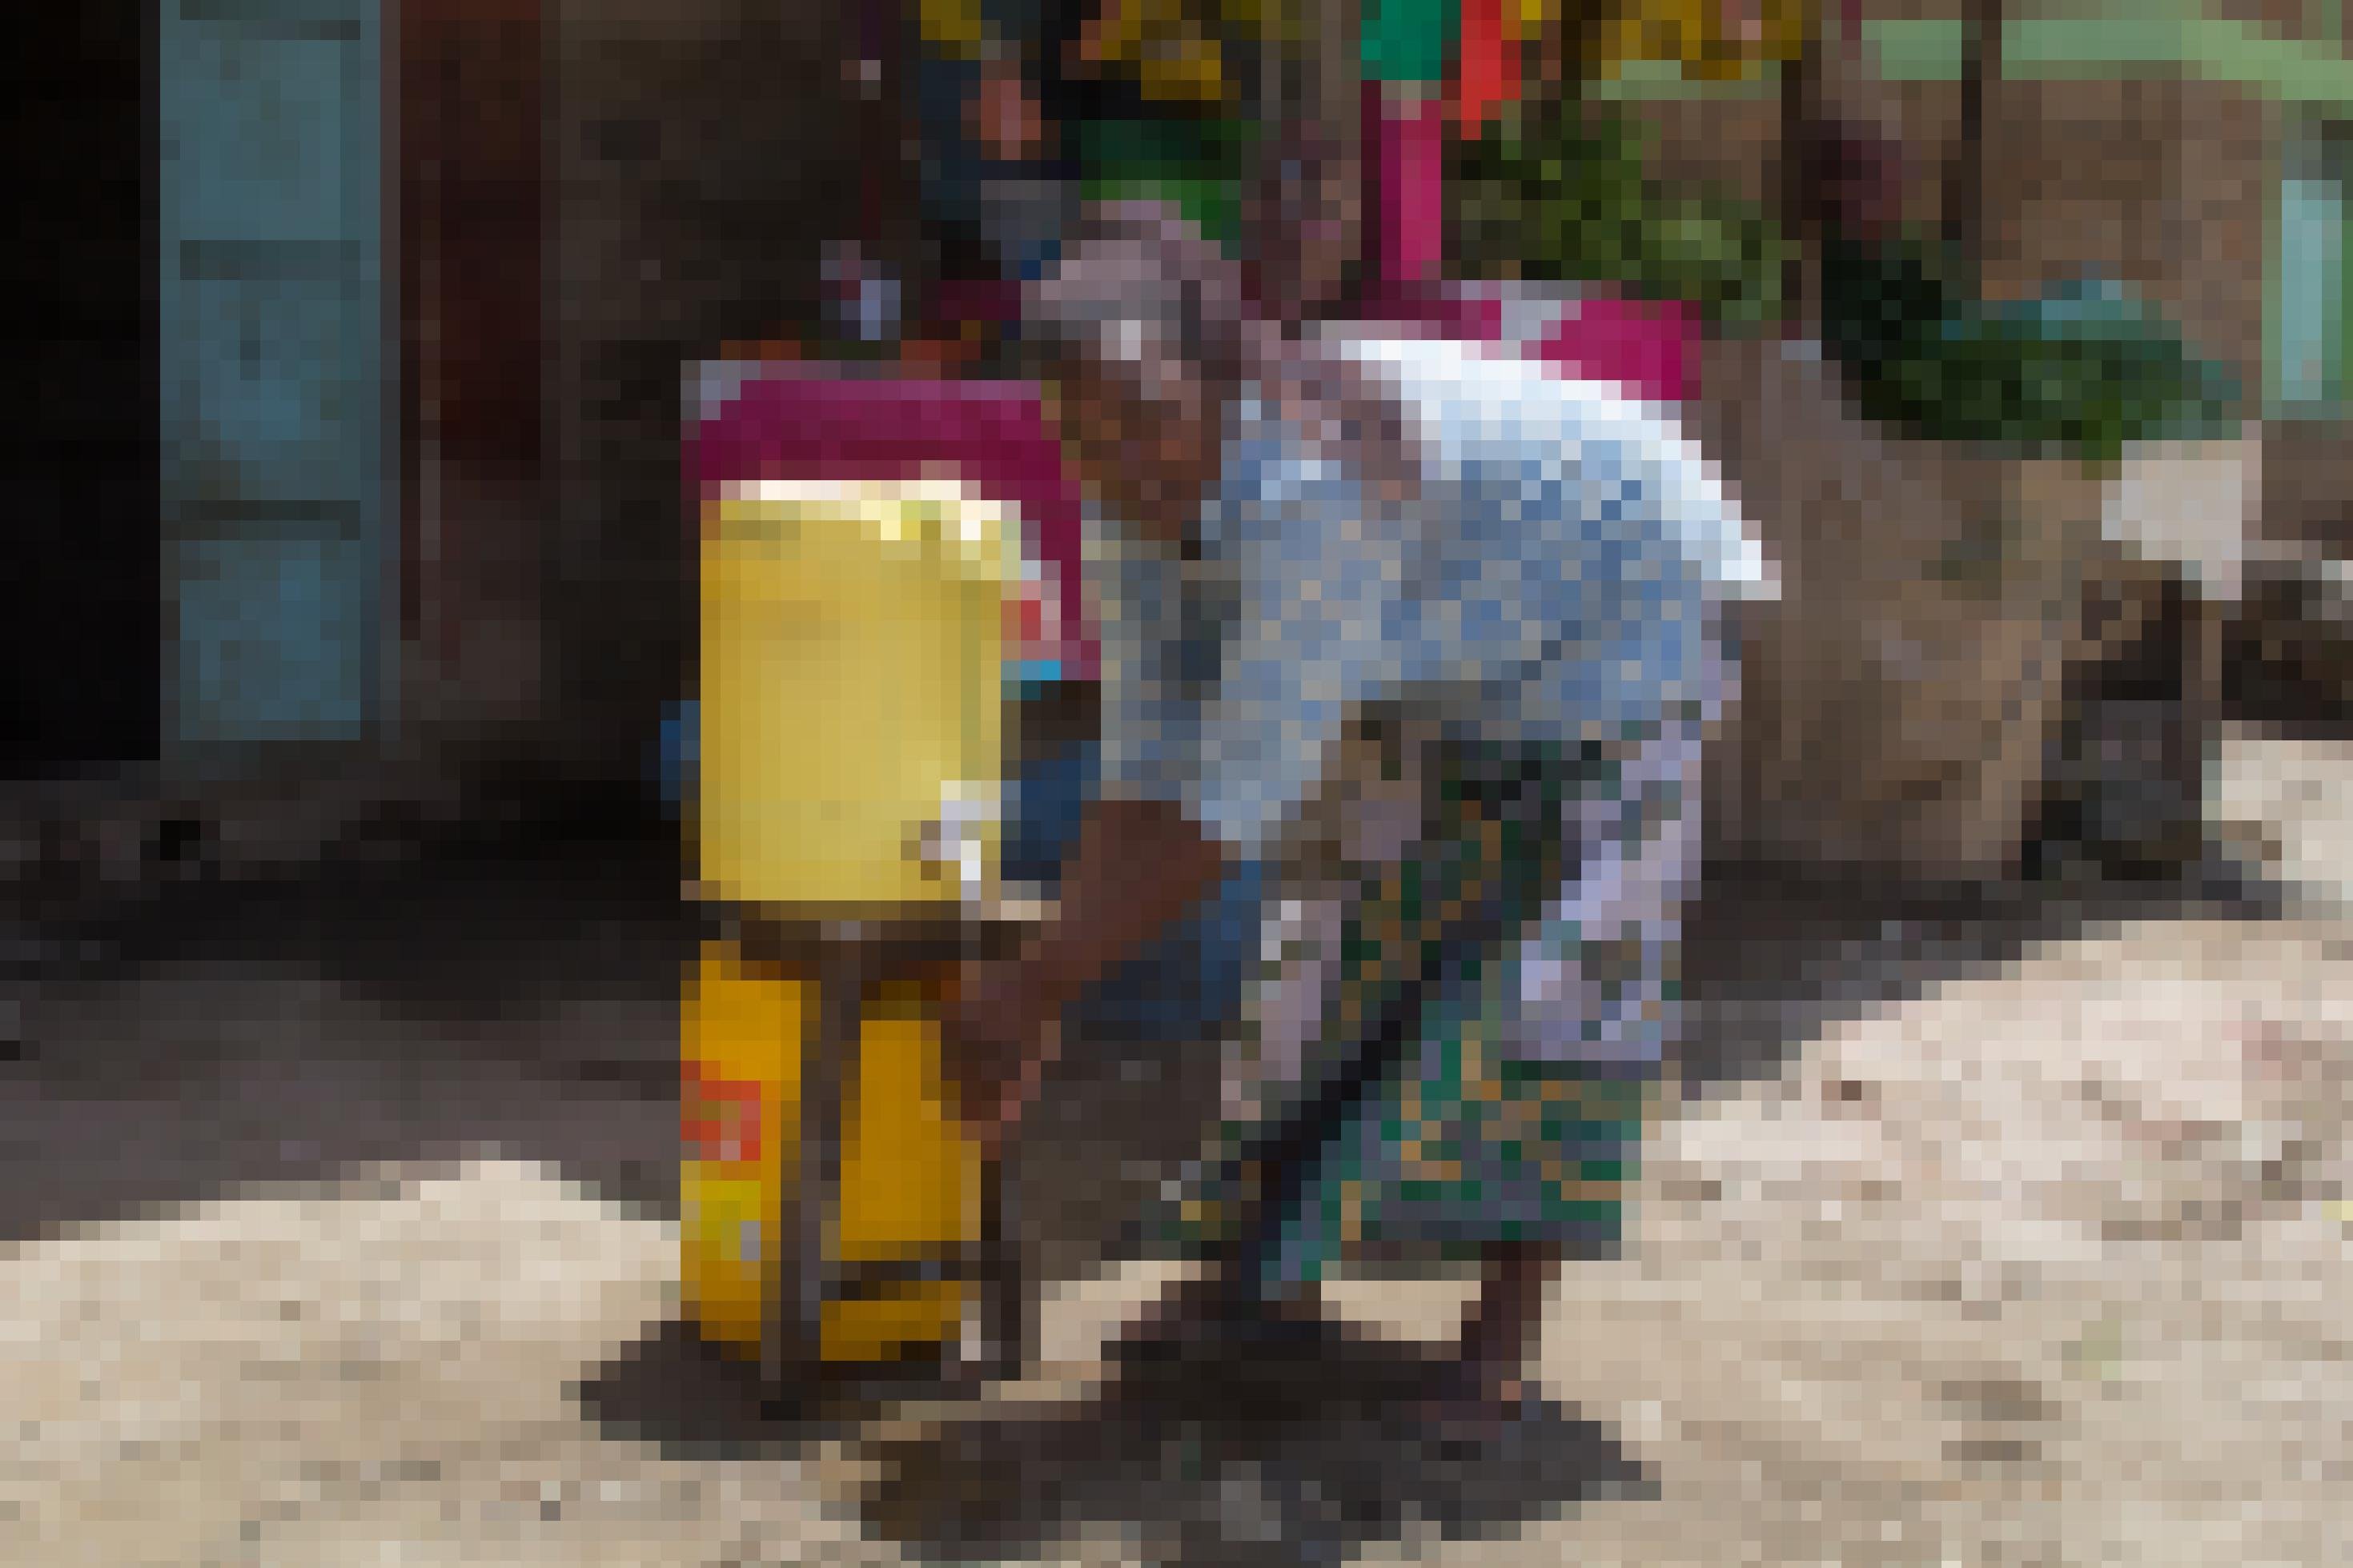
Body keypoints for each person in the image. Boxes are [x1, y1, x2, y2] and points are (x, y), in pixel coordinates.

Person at [950, 201, 1777, 1438]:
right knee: (1322, 952)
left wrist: (1035, 985)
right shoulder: (1127, 504)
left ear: (1221, 380)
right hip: (1456, 661)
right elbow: (1145, 756)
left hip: (1626, 625)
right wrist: (1047, 979)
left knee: (1558, 983)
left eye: (1149, 419)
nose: (1122, 460)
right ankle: (1259, 1280)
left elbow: (1232, 796)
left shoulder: (1318, 488)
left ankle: (1498, 1344)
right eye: (1083, 432)